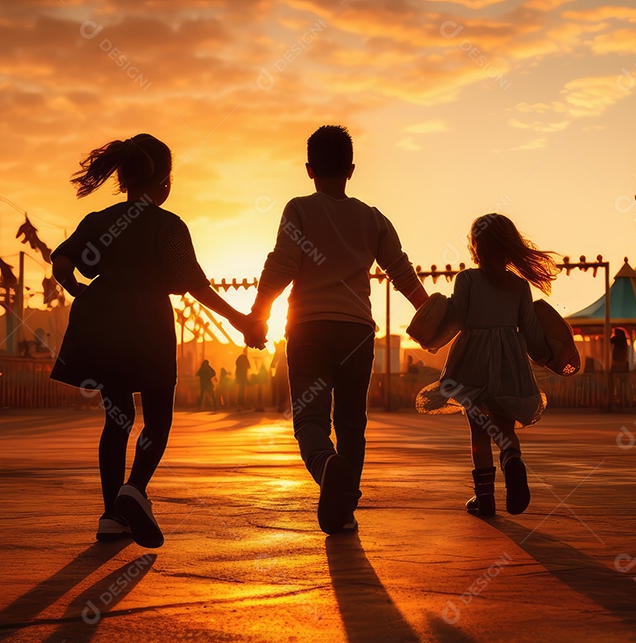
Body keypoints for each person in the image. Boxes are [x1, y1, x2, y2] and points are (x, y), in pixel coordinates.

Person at [50, 134, 255, 548]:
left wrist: (74, 286)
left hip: (103, 325)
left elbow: (62, 260)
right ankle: (134, 490)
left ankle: (112, 515)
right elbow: (196, 285)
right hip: (148, 325)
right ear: (165, 182)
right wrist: (240, 321)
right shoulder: (168, 226)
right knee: (158, 418)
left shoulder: (99, 220)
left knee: (117, 418)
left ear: (122, 178)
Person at [244, 125, 429, 535]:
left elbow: (282, 265)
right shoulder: (372, 218)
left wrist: (259, 312)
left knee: (309, 421)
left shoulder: (299, 209)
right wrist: (427, 310)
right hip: (357, 333)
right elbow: (400, 269)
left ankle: (327, 466)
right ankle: (345, 509)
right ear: (352, 169)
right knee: (351, 423)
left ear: (310, 170)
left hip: (309, 331)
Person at [416, 214, 554, 517]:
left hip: (471, 363)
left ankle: (485, 499)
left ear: (476, 247)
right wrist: (550, 356)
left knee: (479, 429)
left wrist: (432, 332)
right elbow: (530, 331)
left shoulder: (467, 279)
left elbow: (457, 318)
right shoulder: (519, 287)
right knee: (503, 427)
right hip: (510, 365)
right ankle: (511, 457)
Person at [271, 340, 289, 413]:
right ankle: (286, 407)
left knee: (281, 390)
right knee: (287, 390)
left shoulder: (279, 351)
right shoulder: (287, 351)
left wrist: (273, 375)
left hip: (280, 372)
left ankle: (281, 407)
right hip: (287, 372)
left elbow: (273, 364)